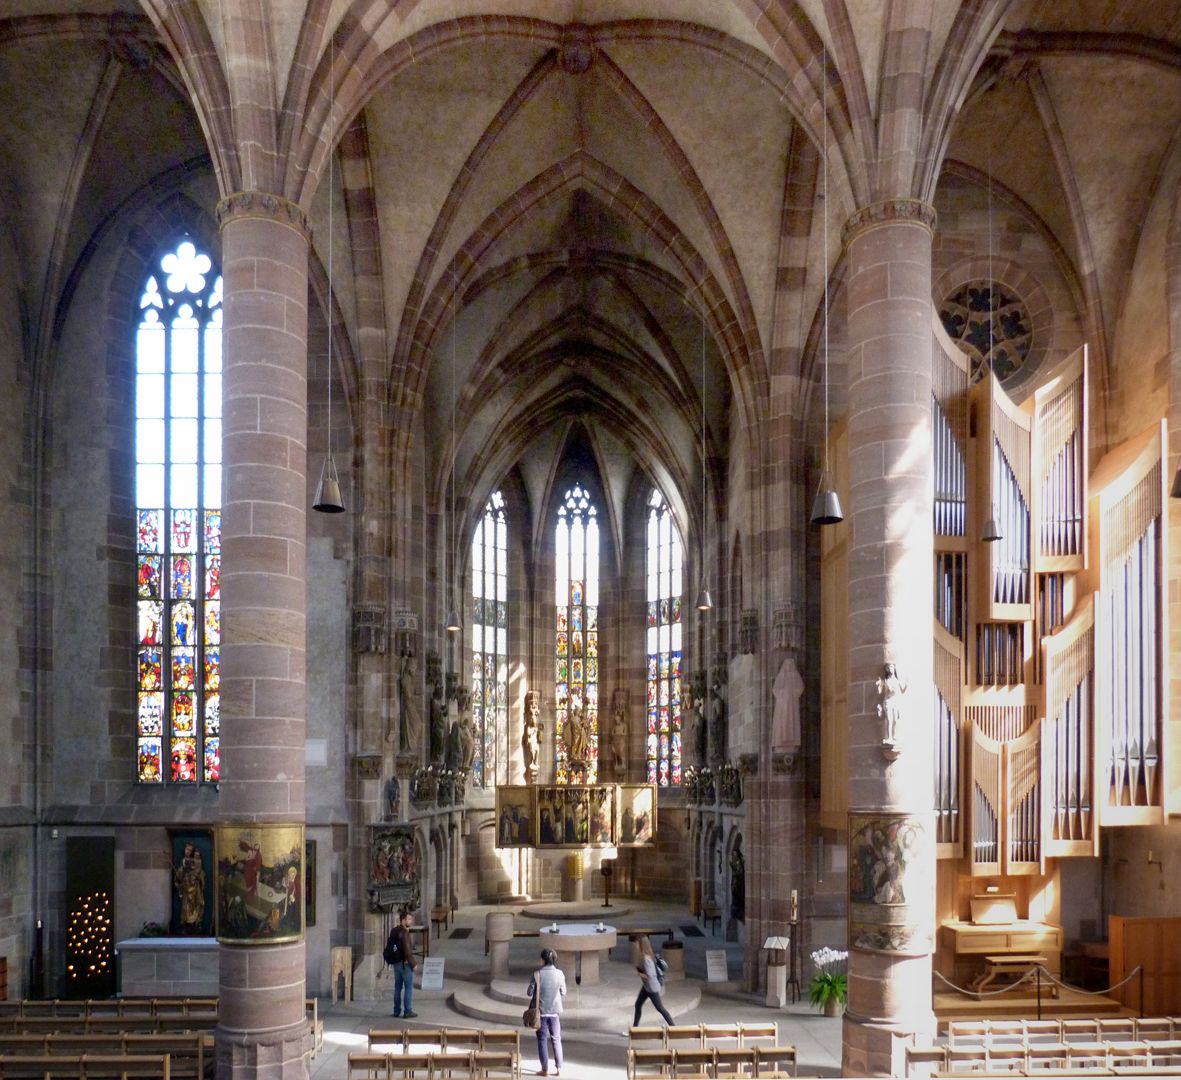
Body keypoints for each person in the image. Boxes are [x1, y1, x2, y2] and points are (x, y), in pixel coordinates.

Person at [526, 948, 566, 1077]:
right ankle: (559, 1068)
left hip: (541, 1012)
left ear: (543, 960)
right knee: (556, 1039)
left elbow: (529, 993)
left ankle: (545, 1069)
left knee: (542, 1040)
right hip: (554, 1012)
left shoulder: (537, 974)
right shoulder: (560, 973)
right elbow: (563, 992)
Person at [633, 935, 674, 1026]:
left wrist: (639, 973)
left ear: (641, 945)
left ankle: (674, 1027)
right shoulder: (647, 955)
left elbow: (649, 976)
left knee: (660, 1008)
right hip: (647, 986)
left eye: (636, 943)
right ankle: (635, 1028)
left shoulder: (646, 958)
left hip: (652, 987)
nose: (635, 945)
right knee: (638, 1004)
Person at [386, 908, 419, 1018]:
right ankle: (408, 1011)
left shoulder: (394, 930)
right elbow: (407, 951)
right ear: (403, 920)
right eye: (409, 919)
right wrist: (413, 964)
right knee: (408, 987)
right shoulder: (404, 933)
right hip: (405, 964)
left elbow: (393, 947)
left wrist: (396, 956)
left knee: (397, 987)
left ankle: (396, 1010)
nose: (411, 921)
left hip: (396, 963)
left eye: (411, 919)